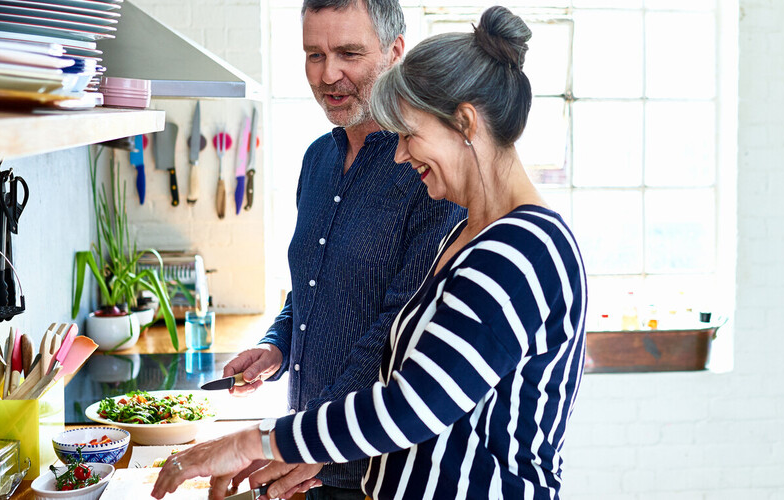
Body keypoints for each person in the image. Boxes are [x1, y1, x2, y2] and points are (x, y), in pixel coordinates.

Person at [151, 6, 588, 500]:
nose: (400, 154)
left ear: (465, 123)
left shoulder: (521, 253)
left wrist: (262, 441)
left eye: (409, 134)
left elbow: (411, 404)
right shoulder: (470, 233)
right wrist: (286, 418)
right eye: (314, 54)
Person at [218, 0, 465, 499]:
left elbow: (395, 330)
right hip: (305, 463)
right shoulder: (316, 160)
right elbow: (310, 286)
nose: (329, 74)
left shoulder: (429, 173)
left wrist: (304, 442)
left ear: (395, 52)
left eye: (349, 53)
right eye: (314, 54)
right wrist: (275, 346)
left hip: (374, 473)